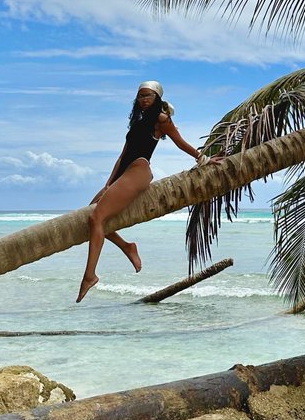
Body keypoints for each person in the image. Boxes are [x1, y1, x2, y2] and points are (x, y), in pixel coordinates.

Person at [76, 80, 214, 302]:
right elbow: (122, 156)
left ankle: (89, 275)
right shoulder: (136, 122)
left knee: (96, 217)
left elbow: (180, 142)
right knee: (91, 217)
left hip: (139, 171)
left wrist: (204, 159)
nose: (143, 100)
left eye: (148, 96)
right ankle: (127, 247)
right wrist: (108, 184)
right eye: (140, 96)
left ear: (157, 98)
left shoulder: (161, 120)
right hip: (124, 172)